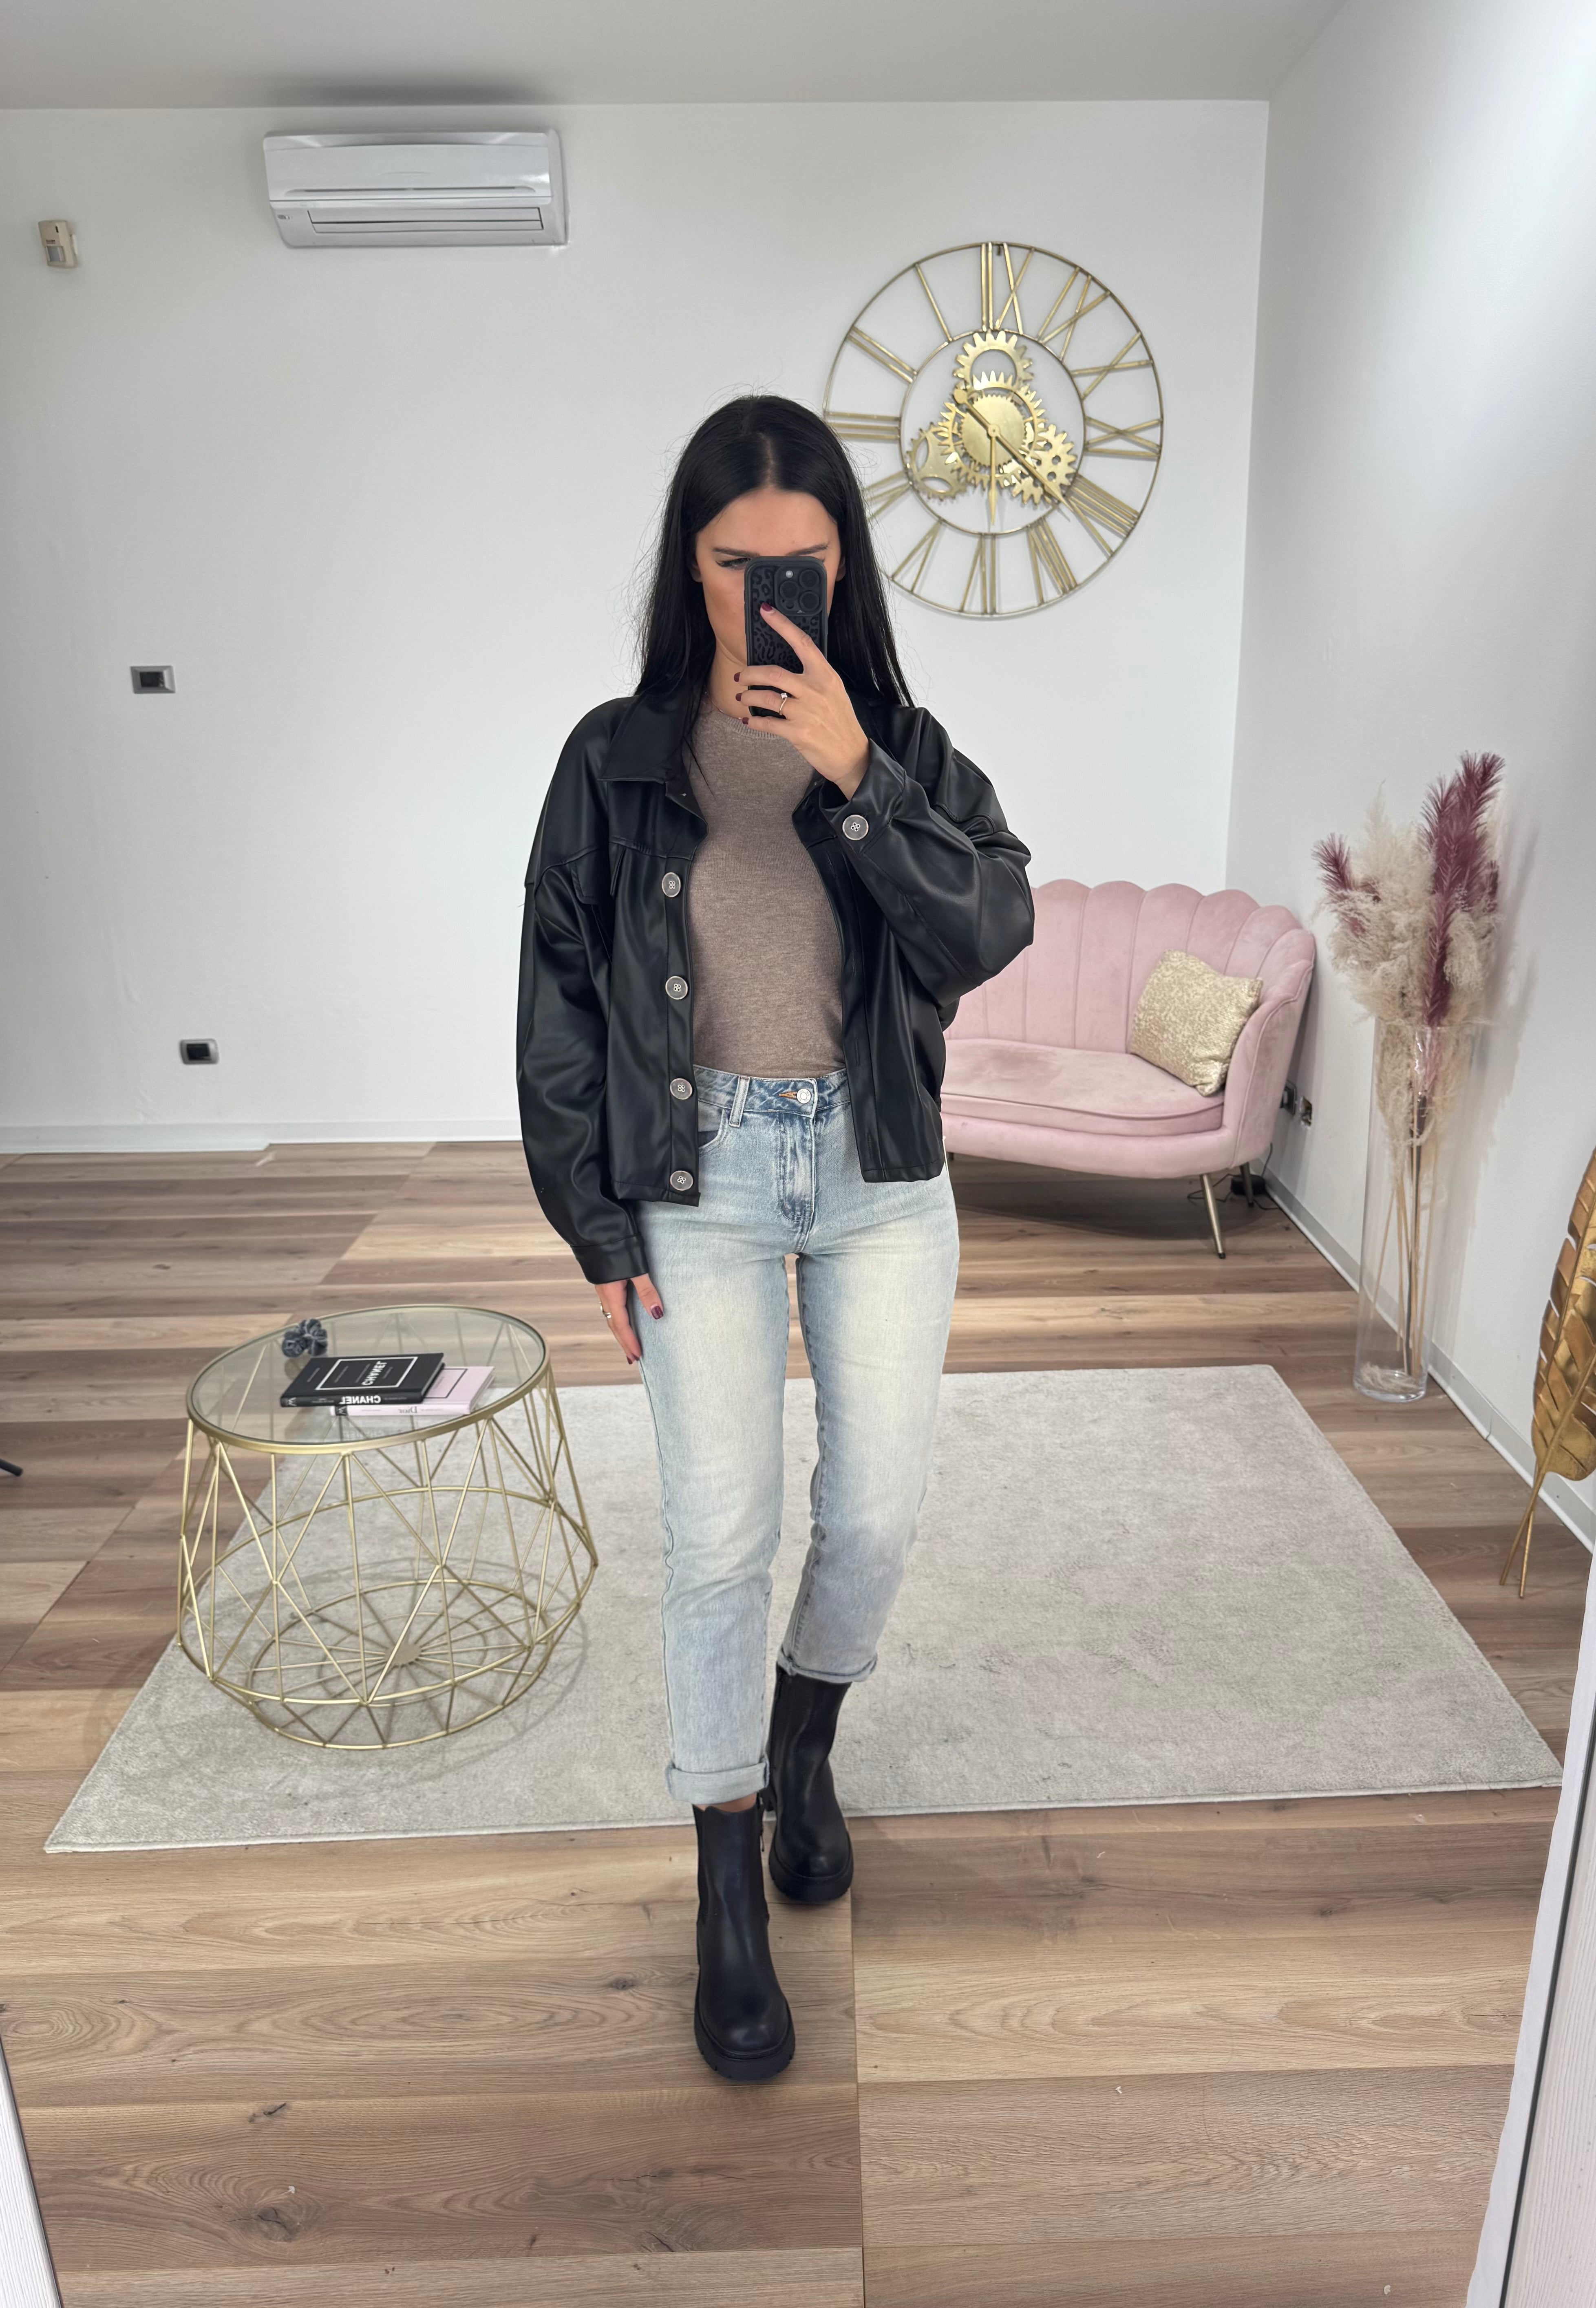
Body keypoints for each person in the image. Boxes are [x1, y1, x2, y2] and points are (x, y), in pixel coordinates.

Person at [516, 394, 1033, 2081]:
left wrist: (856, 777)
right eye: (738, 563)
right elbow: (560, 1003)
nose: (768, 593)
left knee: (872, 1515)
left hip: (878, 1173)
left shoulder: (906, 748)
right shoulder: (613, 758)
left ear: (843, 567)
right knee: (719, 1539)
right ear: (692, 565)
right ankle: (725, 1880)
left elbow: (987, 928)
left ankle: (806, 1743)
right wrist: (598, 1227)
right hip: (699, 1181)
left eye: (800, 562)